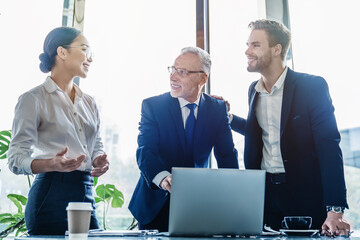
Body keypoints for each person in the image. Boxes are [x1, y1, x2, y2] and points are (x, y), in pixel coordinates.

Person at [223, 19, 350, 235]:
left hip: (304, 197)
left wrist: (335, 209)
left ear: (276, 49)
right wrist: (230, 118)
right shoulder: (253, 90)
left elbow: (329, 147)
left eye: (255, 45)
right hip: (265, 197)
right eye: (247, 44)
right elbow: (263, 132)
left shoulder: (312, 86)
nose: (247, 51)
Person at [7, 27, 109, 235]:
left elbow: (95, 143)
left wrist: (98, 158)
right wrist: (50, 164)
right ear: (62, 53)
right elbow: (15, 159)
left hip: (85, 191)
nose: (90, 58)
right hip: (50, 194)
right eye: (85, 49)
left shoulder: (89, 102)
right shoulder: (32, 99)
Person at [128, 46, 239, 232]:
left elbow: (227, 157)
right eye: (172, 69)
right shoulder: (153, 106)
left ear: (203, 78)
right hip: (155, 203)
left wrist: (233, 198)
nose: (173, 77)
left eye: (182, 72)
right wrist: (163, 179)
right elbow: (145, 151)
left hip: (198, 204)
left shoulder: (217, 109)